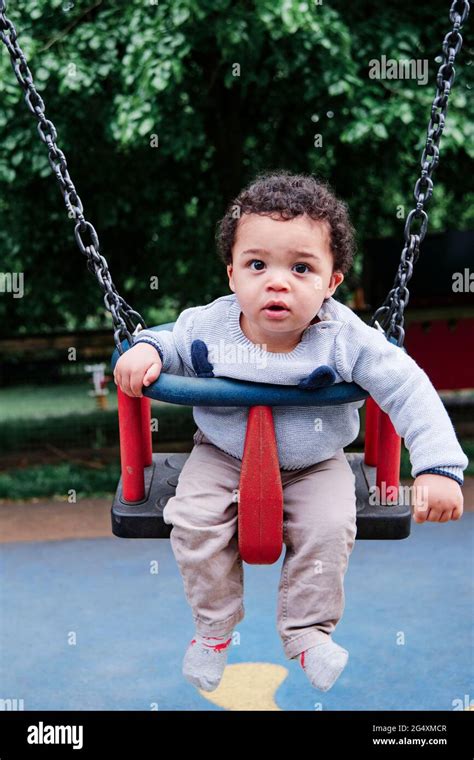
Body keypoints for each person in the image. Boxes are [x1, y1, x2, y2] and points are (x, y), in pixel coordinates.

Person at [113, 171, 467, 693]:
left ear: (331, 282)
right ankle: (213, 632)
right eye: (258, 265)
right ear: (232, 274)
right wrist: (145, 350)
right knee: (191, 521)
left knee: (330, 527)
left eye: (302, 267)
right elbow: (166, 345)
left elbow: (406, 386)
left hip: (315, 463)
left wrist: (439, 467)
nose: (277, 281)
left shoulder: (344, 336)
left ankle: (307, 634)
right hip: (221, 453)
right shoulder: (208, 324)